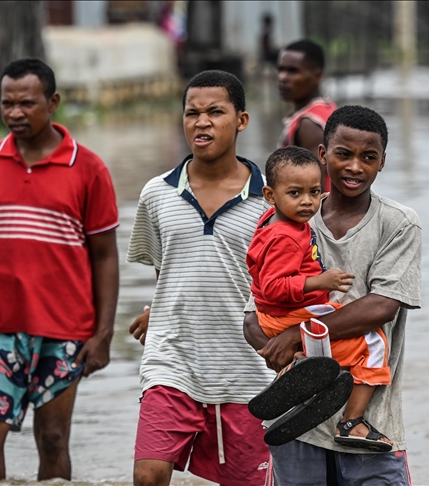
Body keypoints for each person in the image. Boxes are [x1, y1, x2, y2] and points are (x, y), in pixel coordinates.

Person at [0, 58, 120, 480]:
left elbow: (104, 255)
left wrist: (102, 334)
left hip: (65, 327)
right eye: (6, 103)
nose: (14, 113)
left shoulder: (88, 168)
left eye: (26, 103)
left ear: (53, 103)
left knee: (52, 437)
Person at [244, 105, 422, 485]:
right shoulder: (289, 219)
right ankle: (313, 385)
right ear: (323, 154)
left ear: (382, 162)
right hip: (295, 427)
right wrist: (285, 356)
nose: (355, 167)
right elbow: (255, 311)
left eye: (368, 157)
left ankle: (348, 412)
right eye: (344, 154)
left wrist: (299, 336)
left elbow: (383, 306)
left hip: (371, 430)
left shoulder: (397, 223)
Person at [126, 70, 274, 486]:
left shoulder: (271, 201)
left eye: (215, 112)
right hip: (172, 363)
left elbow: (280, 284)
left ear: (241, 121)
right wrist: (160, 309)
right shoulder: (156, 193)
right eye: (192, 112)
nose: (201, 122)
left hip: (248, 373)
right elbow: (168, 270)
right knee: (148, 475)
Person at [247, 146, 392, 451]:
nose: (308, 202)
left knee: (327, 353)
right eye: (295, 193)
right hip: (289, 314)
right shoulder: (287, 235)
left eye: (314, 192)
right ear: (271, 196)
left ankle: (306, 386)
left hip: (271, 316)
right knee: (374, 342)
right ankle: (353, 422)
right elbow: (274, 286)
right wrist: (319, 281)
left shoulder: (269, 223)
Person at [277, 39, 338, 191]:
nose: (282, 77)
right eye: (281, 70)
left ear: (317, 76)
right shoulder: (328, 107)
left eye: (293, 71)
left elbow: (316, 190)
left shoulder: (309, 124)